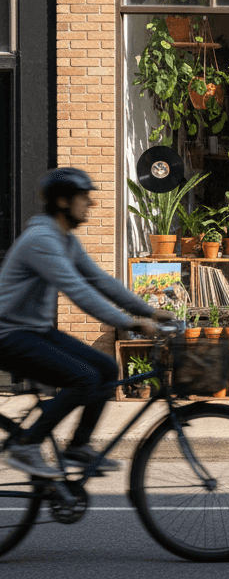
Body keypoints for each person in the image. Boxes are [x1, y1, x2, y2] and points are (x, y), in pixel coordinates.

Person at [0, 169, 174, 479]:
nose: (90, 204)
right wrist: (130, 323)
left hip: (34, 331)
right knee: (84, 377)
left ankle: (78, 447)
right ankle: (26, 445)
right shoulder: (42, 240)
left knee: (106, 368)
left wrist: (149, 312)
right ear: (63, 202)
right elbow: (79, 292)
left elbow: (100, 281)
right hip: (9, 335)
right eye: (84, 197)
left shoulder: (64, 239)